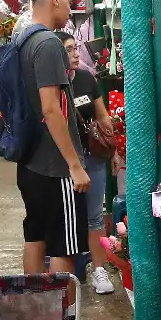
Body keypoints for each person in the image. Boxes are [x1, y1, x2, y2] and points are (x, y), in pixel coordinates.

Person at [16, 0, 88, 275]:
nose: (70, 10)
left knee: (36, 237)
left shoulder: (22, 39)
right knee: (63, 247)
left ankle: (35, 312)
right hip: (55, 166)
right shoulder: (48, 44)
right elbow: (51, 109)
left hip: (30, 160)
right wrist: (74, 164)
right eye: (70, 3)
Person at [60, 30, 118, 294]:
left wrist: (113, 150)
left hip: (93, 157)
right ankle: (68, 273)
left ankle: (99, 269)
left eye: (75, 49)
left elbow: (103, 116)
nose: (75, 54)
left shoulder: (85, 79)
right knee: (67, 219)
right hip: (64, 164)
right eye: (68, 50)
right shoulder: (51, 85)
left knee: (95, 215)